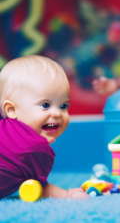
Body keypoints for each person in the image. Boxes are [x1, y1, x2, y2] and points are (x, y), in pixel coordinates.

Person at [0, 55, 89, 199]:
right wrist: (67, 194)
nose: (57, 113)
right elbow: (39, 186)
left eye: (63, 106)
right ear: (11, 109)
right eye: (45, 105)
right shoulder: (36, 150)